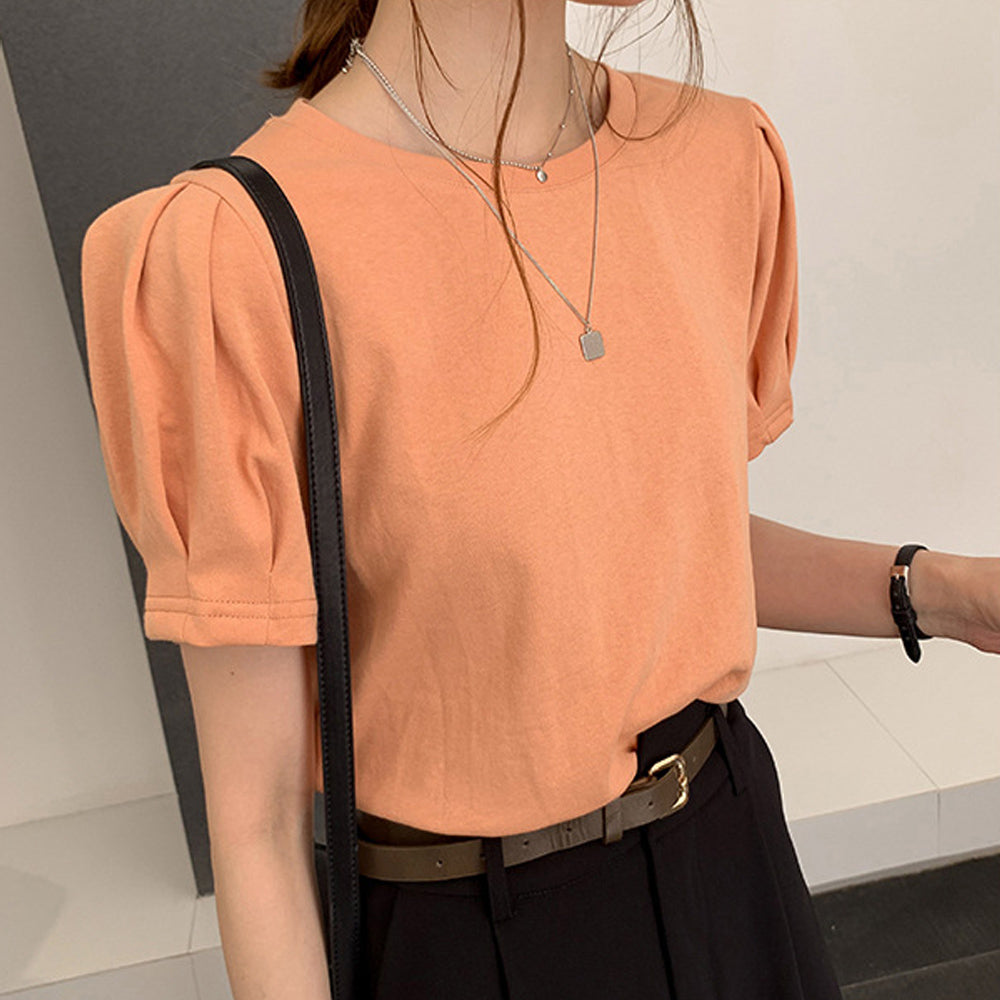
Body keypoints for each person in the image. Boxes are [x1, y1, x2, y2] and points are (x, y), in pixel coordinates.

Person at [79, 1, 1000, 998]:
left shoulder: (717, 154)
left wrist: (946, 593)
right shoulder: (233, 254)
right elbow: (257, 823)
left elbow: (663, 547)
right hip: (465, 934)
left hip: (730, 858)